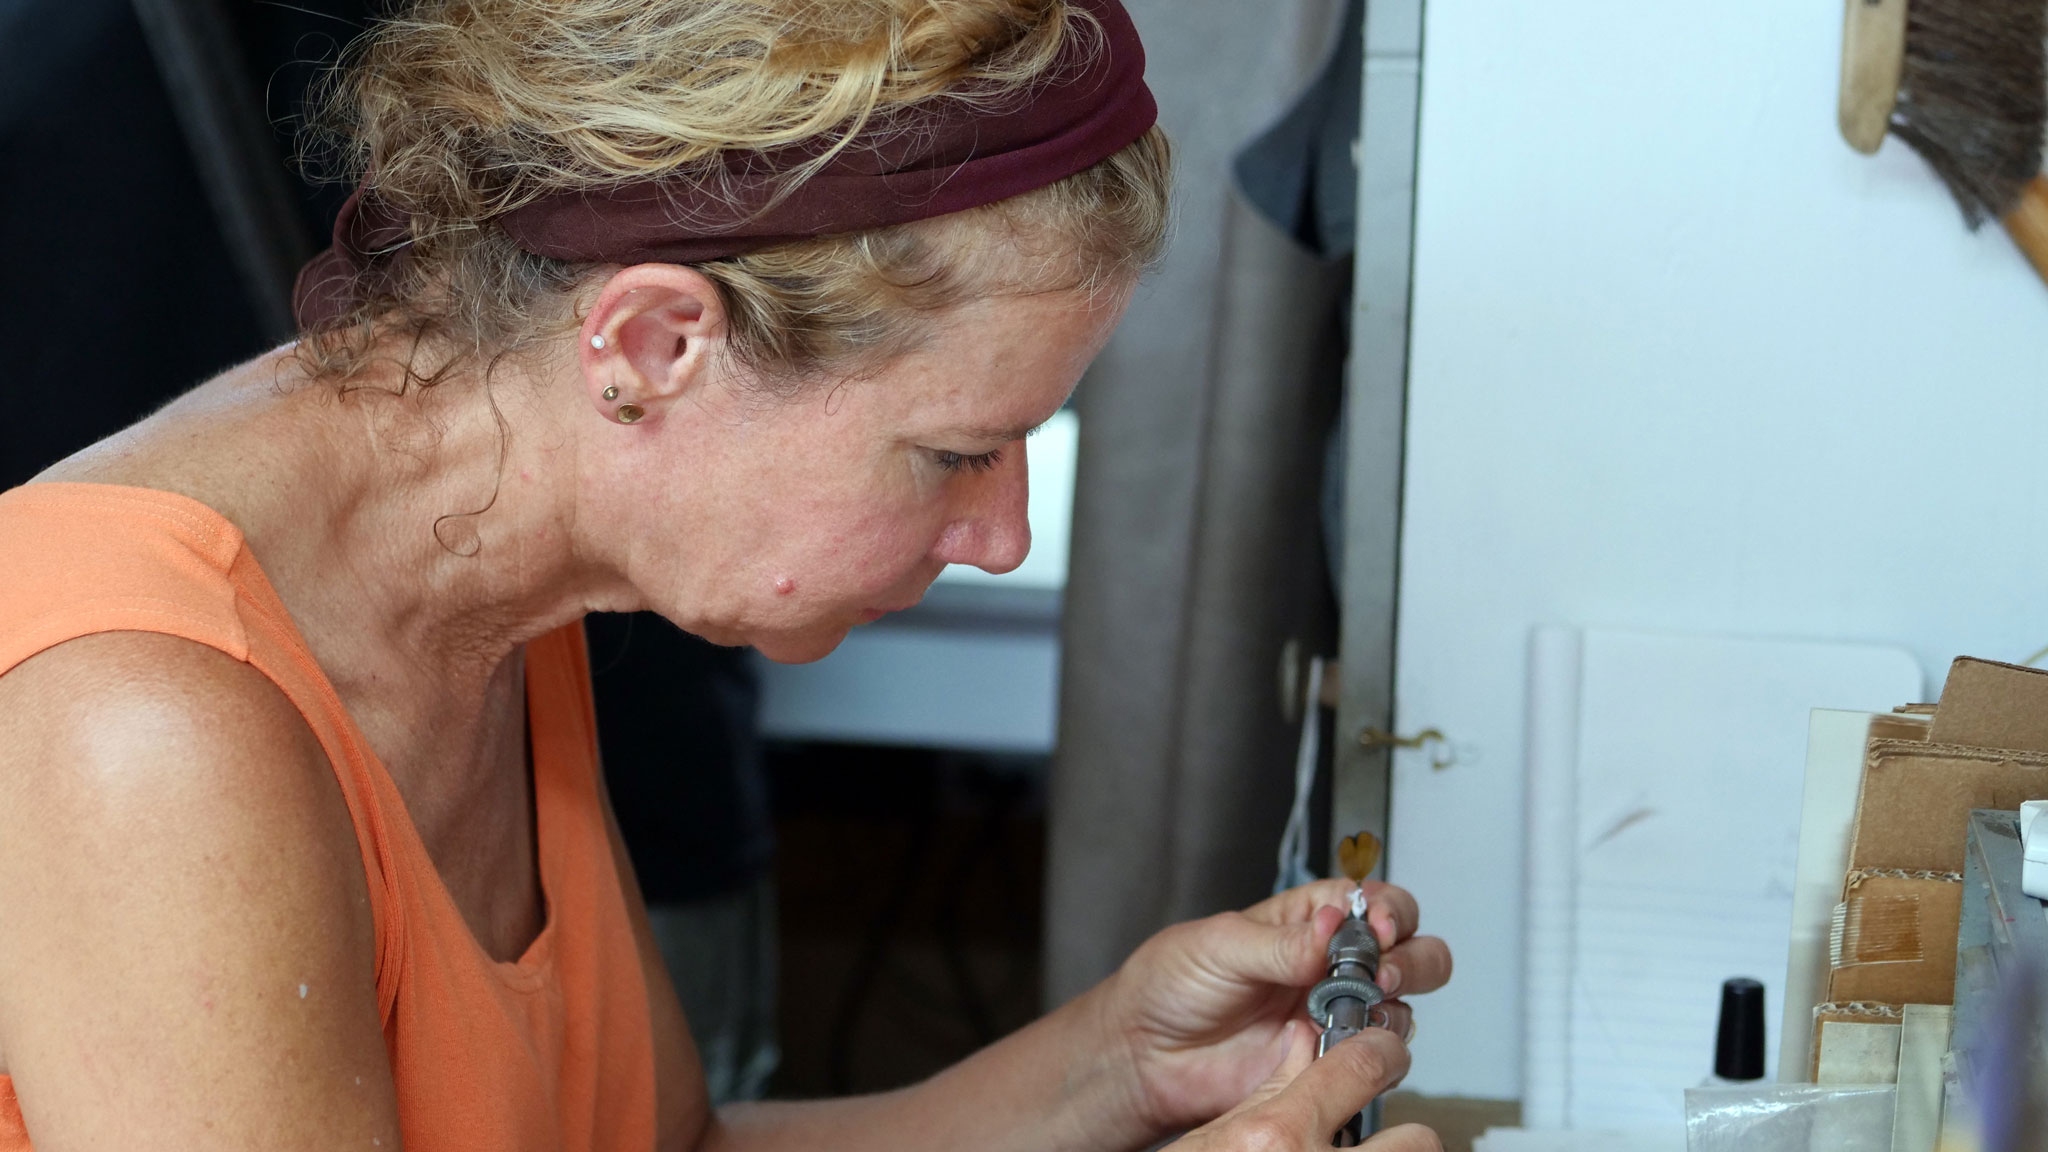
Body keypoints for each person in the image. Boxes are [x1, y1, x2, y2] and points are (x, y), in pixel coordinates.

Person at [0, 0, 1453, 1148]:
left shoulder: (489, 561)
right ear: (651, 344)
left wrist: (1119, 1065)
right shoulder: (144, 728)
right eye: (956, 452)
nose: (1003, 537)